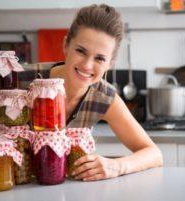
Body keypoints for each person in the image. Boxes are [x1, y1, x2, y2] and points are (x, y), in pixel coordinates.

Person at [50, 4, 162, 181]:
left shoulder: (104, 98)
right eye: (81, 51)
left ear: (110, 63)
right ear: (65, 46)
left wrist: (117, 166)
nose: (87, 65)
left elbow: (154, 154)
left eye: (100, 58)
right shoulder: (22, 80)